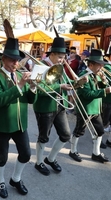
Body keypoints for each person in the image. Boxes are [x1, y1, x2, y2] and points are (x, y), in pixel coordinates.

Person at [0, 37, 37, 198]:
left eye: (18, 60)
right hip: (2, 124)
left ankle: (16, 178)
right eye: (12, 60)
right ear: (3, 59)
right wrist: (21, 85)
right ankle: (0, 180)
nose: (16, 64)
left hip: (20, 123)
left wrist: (33, 88)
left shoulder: (19, 75)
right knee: (2, 156)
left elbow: (29, 100)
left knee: (26, 154)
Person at [33, 36, 74, 176]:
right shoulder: (40, 65)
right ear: (52, 54)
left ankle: (50, 159)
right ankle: (38, 162)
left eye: (63, 57)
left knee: (66, 134)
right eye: (60, 57)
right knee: (44, 136)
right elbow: (39, 88)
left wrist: (73, 85)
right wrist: (60, 86)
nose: (62, 60)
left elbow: (64, 83)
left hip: (59, 104)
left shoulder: (60, 66)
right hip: (44, 107)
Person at [69, 49, 111, 163]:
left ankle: (96, 153)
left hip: (96, 108)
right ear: (91, 64)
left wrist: (104, 82)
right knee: (79, 131)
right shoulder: (83, 75)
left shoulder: (97, 74)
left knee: (100, 131)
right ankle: (72, 150)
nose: (101, 67)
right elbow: (87, 94)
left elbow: (99, 86)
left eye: (101, 64)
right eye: (99, 65)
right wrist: (105, 91)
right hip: (85, 108)